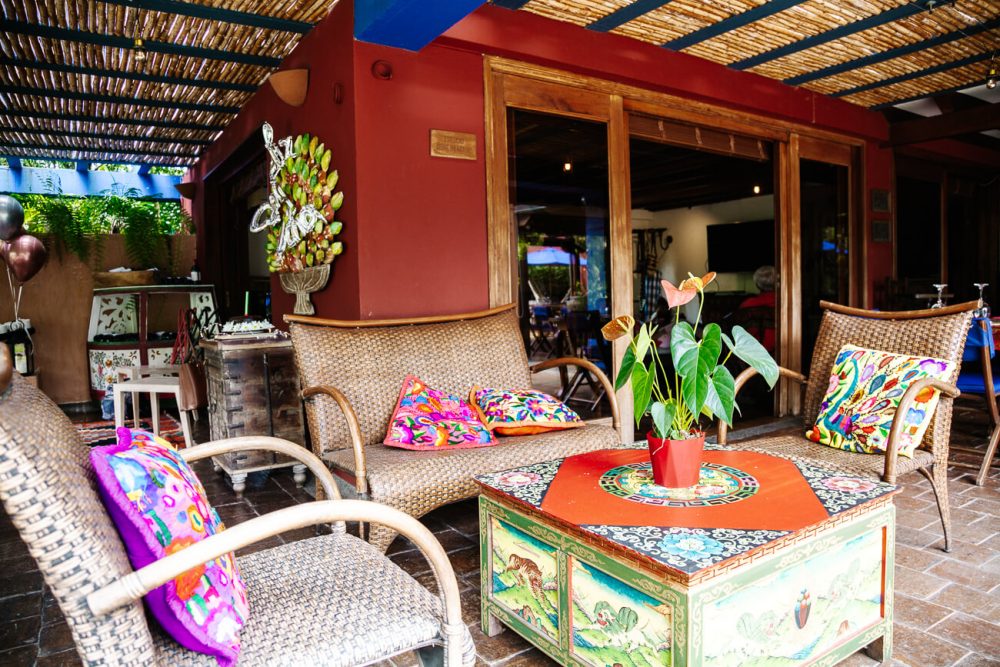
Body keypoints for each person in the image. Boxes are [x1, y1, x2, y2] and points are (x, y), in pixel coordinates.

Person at [736, 266, 777, 353]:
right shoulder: (785, 304)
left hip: (753, 354)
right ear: (776, 282)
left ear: (757, 284)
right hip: (780, 352)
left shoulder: (746, 305)